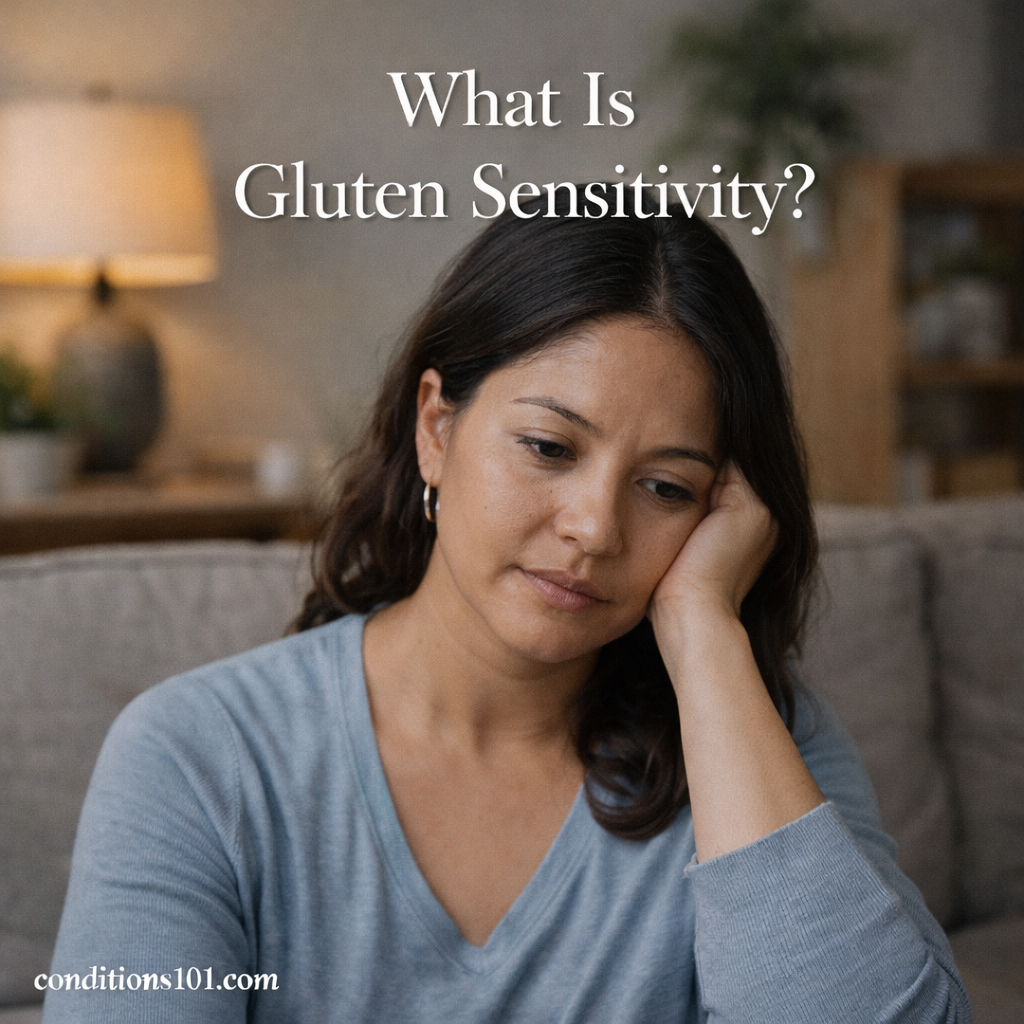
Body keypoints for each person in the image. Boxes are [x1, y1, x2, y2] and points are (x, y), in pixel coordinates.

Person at [43, 188, 970, 1023]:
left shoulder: (758, 742)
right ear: (436, 427)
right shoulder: (193, 756)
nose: (595, 528)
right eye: (549, 447)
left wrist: (702, 636)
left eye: (666, 490)